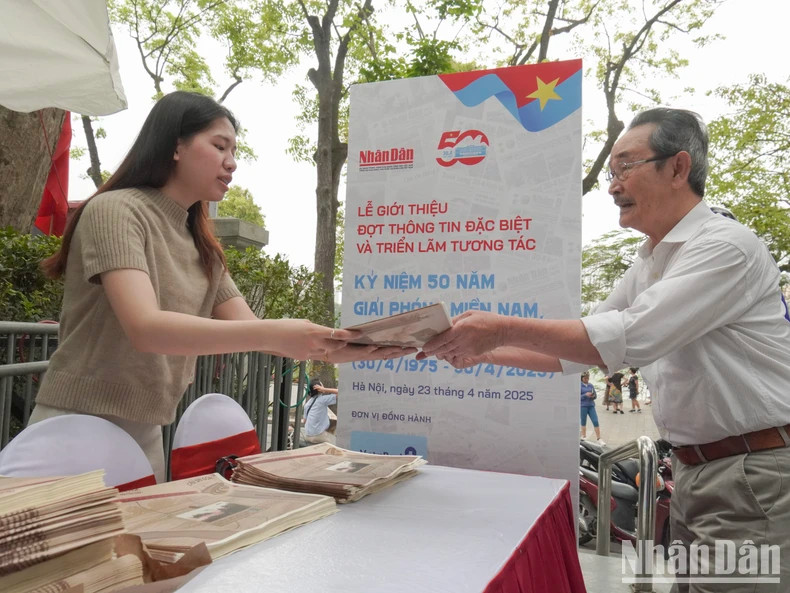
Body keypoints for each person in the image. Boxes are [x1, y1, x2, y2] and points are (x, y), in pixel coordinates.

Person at [420, 107, 790, 591]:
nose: (613, 185)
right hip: (699, 470)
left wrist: (500, 330)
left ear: (679, 168)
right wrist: (476, 352)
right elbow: (582, 349)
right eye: (610, 173)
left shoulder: (723, 246)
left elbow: (631, 335)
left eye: (625, 167)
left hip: (750, 473)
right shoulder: (651, 262)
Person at [29, 91, 412, 482]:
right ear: (176, 145)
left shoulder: (203, 246)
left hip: (145, 431)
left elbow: (254, 333)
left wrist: (344, 348)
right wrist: (279, 332)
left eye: (234, 150)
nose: (231, 163)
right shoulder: (116, 210)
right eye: (219, 146)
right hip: (72, 427)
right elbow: (145, 328)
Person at [302, 379, 338, 445]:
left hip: (308, 435)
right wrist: (325, 389)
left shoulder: (308, 403)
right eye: (321, 385)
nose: (323, 386)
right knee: (336, 444)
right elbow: (340, 392)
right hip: (318, 435)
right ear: (319, 388)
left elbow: (304, 421)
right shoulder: (322, 400)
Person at [580, 372, 604, 444]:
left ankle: (599, 438)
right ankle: (583, 436)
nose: (587, 379)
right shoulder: (579, 385)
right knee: (583, 421)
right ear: (582, 378)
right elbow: (577, 397)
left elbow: (595, 396)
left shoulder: (591, 385)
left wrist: (593, 396)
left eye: (588, 378)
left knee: (595, 421)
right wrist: (585, 395)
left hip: (591, 405)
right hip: (583, 406)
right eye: (585, 378)